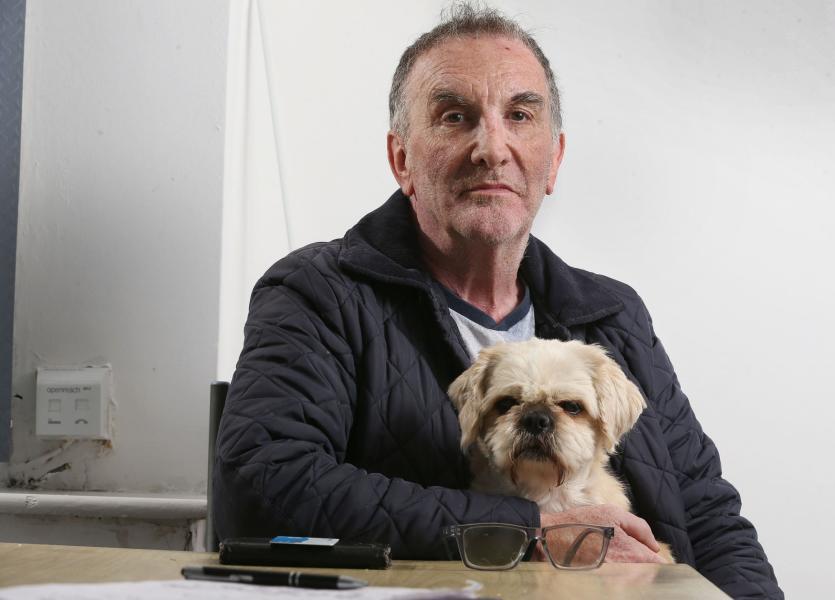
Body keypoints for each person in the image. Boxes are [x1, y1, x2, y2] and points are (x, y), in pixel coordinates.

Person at [213, 5, 783, 599]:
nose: (492, 146)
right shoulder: (318, 293)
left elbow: (709, 515)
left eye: (519, 115)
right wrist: (531, 529)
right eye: (455, 116)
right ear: (401, 158)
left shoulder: (614, 316)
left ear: (554, 158)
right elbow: (263, 483)